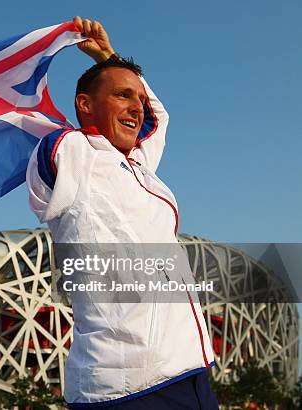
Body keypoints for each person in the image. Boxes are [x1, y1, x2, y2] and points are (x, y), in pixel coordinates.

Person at [26, 16, 219, 409]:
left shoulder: (137, 164)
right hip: (126, 385)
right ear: (85, 105)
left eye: (136, 96)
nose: (136, 106)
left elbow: (155, 117)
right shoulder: (75, 154)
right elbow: (40, 153)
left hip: (189, 371)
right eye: (121, 95)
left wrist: (108, 57)